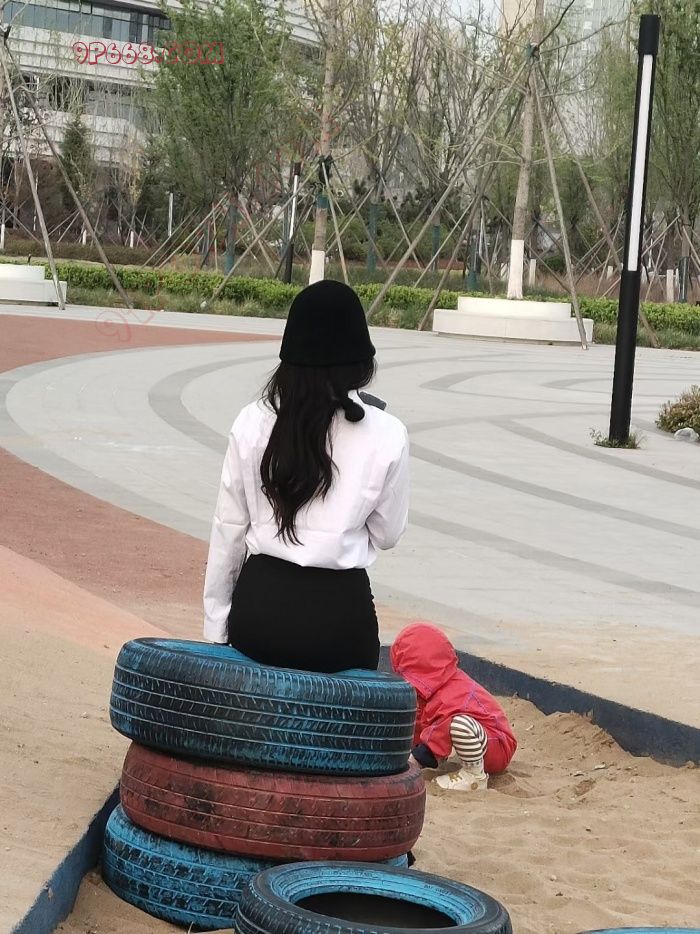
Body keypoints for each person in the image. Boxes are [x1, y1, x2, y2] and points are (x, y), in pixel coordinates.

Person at [202, 279, 410, 674]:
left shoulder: (252, 421)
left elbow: (228, 529)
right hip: (339, 624)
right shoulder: (387, 432)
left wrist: (216, 627)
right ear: (361, 361)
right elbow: (387, 535)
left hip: (260, 613)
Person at [390, 622, 517, 791]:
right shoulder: (434, 689)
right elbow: (423, 722)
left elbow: (441, 726)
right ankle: (444, 760)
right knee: (445, 723)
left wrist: (416, 760)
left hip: (497, 745)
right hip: (483, 741)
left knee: (458, 724)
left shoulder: (453, 693)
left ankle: (474, 776)